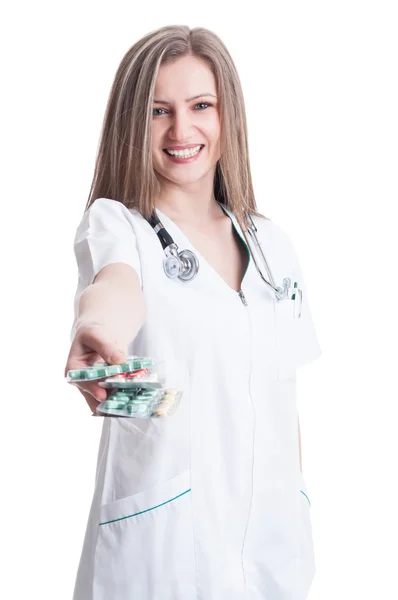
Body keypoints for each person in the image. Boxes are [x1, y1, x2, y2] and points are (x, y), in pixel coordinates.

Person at [64, 24, 322, 600]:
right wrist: (97, 338)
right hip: (164, 550)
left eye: (201, 105)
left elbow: (280, 400)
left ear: (228, 115)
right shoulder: (119, 226)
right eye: (159, 111)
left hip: (272, 549)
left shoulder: (271, 245)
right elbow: (115, 291)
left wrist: (296, 499)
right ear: (135, 123)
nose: (183, 130)